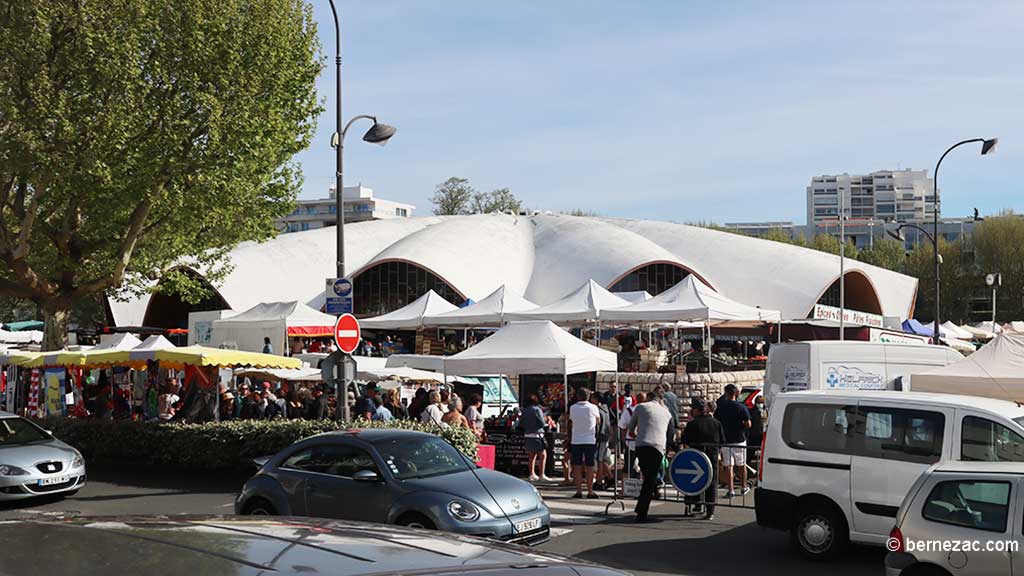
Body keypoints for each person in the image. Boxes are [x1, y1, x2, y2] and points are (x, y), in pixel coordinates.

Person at [629, 388, 672, 522]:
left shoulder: (641, 407)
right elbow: (670, 432)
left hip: (642, 445)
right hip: (658, 447)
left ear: (648, 397)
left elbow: (631, 428)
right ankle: (642, 510)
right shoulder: (666, 412)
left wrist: (636, 435)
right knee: (650, 478)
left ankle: (641, 508)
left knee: (647, 477)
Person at [680, 397, 726, 520]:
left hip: (695, 457)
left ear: (696, 410)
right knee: (711, 483)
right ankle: (710, 511)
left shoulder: (692, 424)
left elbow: (685, 440)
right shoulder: (716, 423)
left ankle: (695, 504)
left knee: (693, 481)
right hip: (712, 456)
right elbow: (722, 440)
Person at [714, 384, 752, 498]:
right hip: (739, 439)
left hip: (726, 440)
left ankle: (730, 490)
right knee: (741, 465)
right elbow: (748, 424)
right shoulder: (741, 407)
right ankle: (744, 486)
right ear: (736, 393)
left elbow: (717, 421)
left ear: (726, 393)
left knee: (728, 466)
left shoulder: (721, 407)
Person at [568, 388, 600, 499]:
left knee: (576, 466)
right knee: (589, 466)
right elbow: (598, 421)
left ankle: (579, 490)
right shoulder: (593, 408)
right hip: (590, 440)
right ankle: (590, 491)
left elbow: (571, 421)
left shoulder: (573, 408)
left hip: (576, 439)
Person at [517, 395, 552, 482]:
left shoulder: (525, 410)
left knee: (531, 456)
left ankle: (531, 474)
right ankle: (541, 474)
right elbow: (542, 423)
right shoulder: (537, 410)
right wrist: (547, 423)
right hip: (537, 434)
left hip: (528, 435)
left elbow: (521, 423)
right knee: (543, 455)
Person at [590, 392, 614, 491]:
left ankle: (599, 481)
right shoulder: (605, 408)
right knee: (602, 458)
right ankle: (610, 476)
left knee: (599, 459)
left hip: (600, 436)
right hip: (605, 435)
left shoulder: (598, 410)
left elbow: (598, 424)